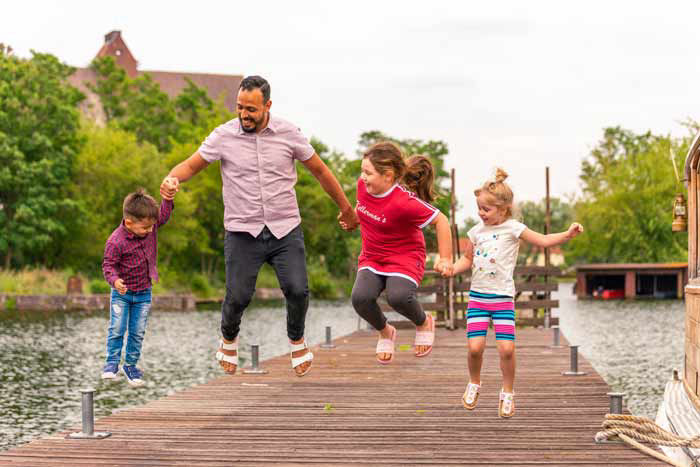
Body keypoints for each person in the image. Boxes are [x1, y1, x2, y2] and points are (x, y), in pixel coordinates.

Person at [160, 75, 359, 377]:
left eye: (251, 109)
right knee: (238, 295)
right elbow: (190, 165)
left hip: (284, 228)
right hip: (242, 230)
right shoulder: (223, 136)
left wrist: (346, 208)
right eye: (240, 107)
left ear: (267, 105)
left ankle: (297, 339)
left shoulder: (289, 133)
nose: (244, 115)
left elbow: (320, 171)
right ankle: (228, 338)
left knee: (298, 290)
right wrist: (172, 179)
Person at [451, 168, 583, 417]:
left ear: (504, 209)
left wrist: (567, 234)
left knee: (507, 349)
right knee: (475, 348)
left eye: (486, 210)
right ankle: (474, 382)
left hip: (502, 300)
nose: (481, 213)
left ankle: (508, 392)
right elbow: (466, 260)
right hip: (478, 299)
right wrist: (451, 269)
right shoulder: (475, 232)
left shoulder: (513, 228)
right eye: (479, 208)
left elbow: (543, 241)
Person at [342, 141, 453, 364]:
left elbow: (440, 220)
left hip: (404, 257)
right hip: (373, 256)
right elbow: (364, 206)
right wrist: (354, 218)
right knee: (360, 299)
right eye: (362, 171)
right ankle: (385, 331)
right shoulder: (364, 186)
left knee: (398, 296)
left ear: (388, 176)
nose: (362, 177)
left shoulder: (405, 203)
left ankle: (423, 322)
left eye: (368, 172)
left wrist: (446, 258)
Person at [101, 185, 176, 386]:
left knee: (137, 331)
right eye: (145, 228)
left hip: (143, 293)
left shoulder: (149, 226)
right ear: (129, 222)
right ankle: (112, 363)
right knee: (117, 328)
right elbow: (108, 266)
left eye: (152, 226)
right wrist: (115, 281)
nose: (150, 230)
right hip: (122, 294)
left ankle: (131, 365)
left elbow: (164, 216)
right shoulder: (115, 241)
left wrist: (167, 199)